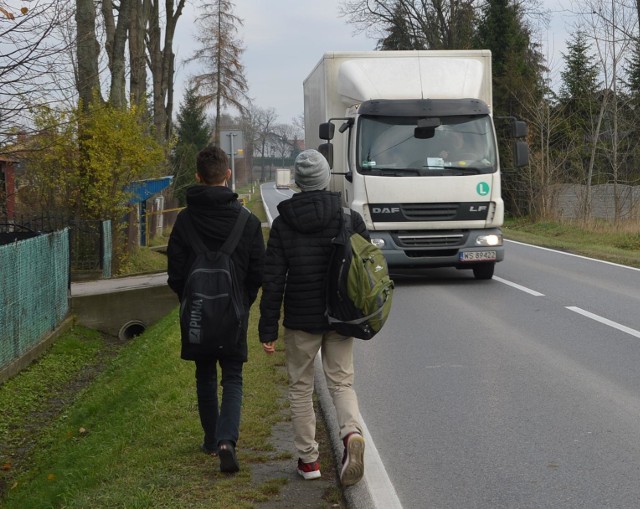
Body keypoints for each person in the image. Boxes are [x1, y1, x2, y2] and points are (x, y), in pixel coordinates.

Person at [259, 149, 367, 487]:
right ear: (325, 178)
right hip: (340, 316)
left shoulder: (282, 224)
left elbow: (273, 279)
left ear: (297, 183)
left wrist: (267, 328)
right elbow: (366, 271)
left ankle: (309, 461)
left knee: (301, 388)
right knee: (341, 382)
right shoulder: (349, 218)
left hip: (301, 320)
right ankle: (351, 434)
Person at [167, 145, 264, 473]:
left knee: (204, 373)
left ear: (197, 177)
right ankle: (227, 440)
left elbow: (175, 273)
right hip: (234, 312)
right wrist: (244, 302)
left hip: (196, 314)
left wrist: (191, 299)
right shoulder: (247, 221)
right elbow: (257, 271)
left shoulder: (184, 220)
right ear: (227, 174)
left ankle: (210, 441)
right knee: (233, 376)